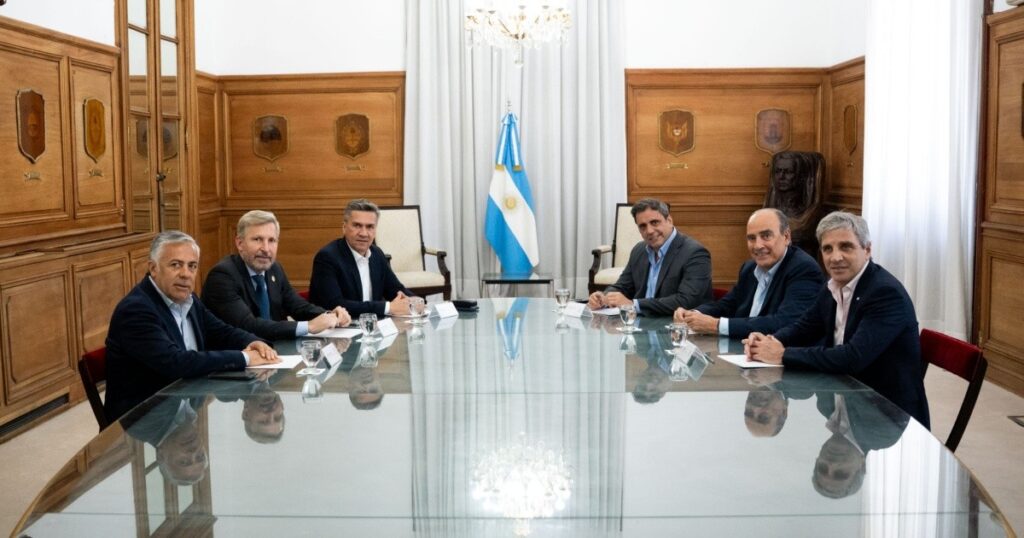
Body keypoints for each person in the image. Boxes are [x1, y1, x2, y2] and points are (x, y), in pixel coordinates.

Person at [743, 211, 930, 428]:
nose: (835, 257)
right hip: (842, 403)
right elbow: (805, 327)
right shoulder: (832, 286)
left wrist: (782, 354)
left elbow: (852, 357)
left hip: (886, 417)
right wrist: (769, 341)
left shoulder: (885, 293)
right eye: (827, 249)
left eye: (846, 247)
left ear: (867, 249)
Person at [104, 231, 280, 423]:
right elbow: (176, 363)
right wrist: (245, 358)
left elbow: (221, 331)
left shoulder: (189, 299)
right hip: (144, 423)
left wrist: (253, 342)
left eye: (192, 266)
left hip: (186, 409)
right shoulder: (136, 310)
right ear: (153, 268)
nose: (185, 274)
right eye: (175, 265)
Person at [202, 210, 351, 340]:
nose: (266, 249)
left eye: (272, 240)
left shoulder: (274, 269)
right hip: (239, 356)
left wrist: (329, 315)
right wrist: (308, 326)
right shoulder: (222, 276)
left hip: (275, 351)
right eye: (257, 239)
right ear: (240, 243)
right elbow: (248, 325)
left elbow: (298, 307)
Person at [673, 208, 824, 337]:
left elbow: (784, 322)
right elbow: (728, 305)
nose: (758, 245)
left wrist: (717, 325)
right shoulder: (749, 267)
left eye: (766, 236)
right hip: (742, 350)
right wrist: (693, 314)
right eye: (752, 238)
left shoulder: (803, 268)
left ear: (786, 237)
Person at [588, 198, 712, 316]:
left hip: (678, 324)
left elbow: (686, 301)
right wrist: (603, 296)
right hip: (640, 323)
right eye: (643, 226)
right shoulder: (639, 250)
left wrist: (633, 305)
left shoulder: (695, 253)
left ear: (669, 220)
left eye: (654, 222)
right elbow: (623, 286)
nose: (649, 231)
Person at [309, 199, 415, 317]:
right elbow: (334, 305)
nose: (364, 233)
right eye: (357, 225)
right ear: (344, 227)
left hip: (373, 325)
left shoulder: (377, 254)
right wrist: (388, 307)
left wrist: (416, 302)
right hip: (338, 325)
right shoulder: (327, 258)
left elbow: (396, 290)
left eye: (370, 227)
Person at [763, 151, 824, 253]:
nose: (781, 176)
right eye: (777, 171)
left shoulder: (810, 215)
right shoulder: (769, 210)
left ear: (801, 176)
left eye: (788, 172)